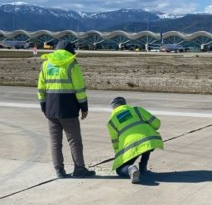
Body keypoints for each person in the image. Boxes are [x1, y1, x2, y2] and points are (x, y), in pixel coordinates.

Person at [37, 40, 95, 178]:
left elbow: (41, 88)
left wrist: (43, 106)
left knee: (55, 142)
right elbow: (79, 89)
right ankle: (79, 169)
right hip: (68, 109)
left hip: (51, 109)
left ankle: (59, 170)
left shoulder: (46, 64)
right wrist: (84, 107)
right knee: (74, 141)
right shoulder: (72, 65)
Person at [107, 97, 163, 184]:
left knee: (119, 169)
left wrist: (119, 155)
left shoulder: (111, 122)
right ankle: (143, 168)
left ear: (113, 108)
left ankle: (130, 169)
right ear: (125, 104)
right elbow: (156, 124)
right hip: (148, 140)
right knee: (146, 143)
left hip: (130, 146)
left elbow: (115, 142)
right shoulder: (137, 110)